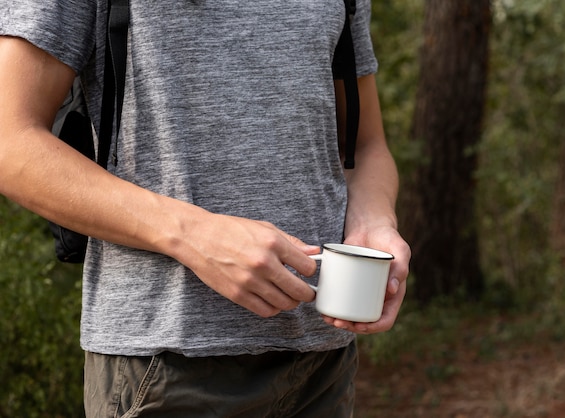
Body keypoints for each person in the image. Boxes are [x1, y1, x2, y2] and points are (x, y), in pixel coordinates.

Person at [0, 1, 410, 416]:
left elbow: (364, 146)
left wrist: (374, 221)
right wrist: (194, 235)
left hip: (323, 366)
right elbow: (10, 142)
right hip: (166, 366)